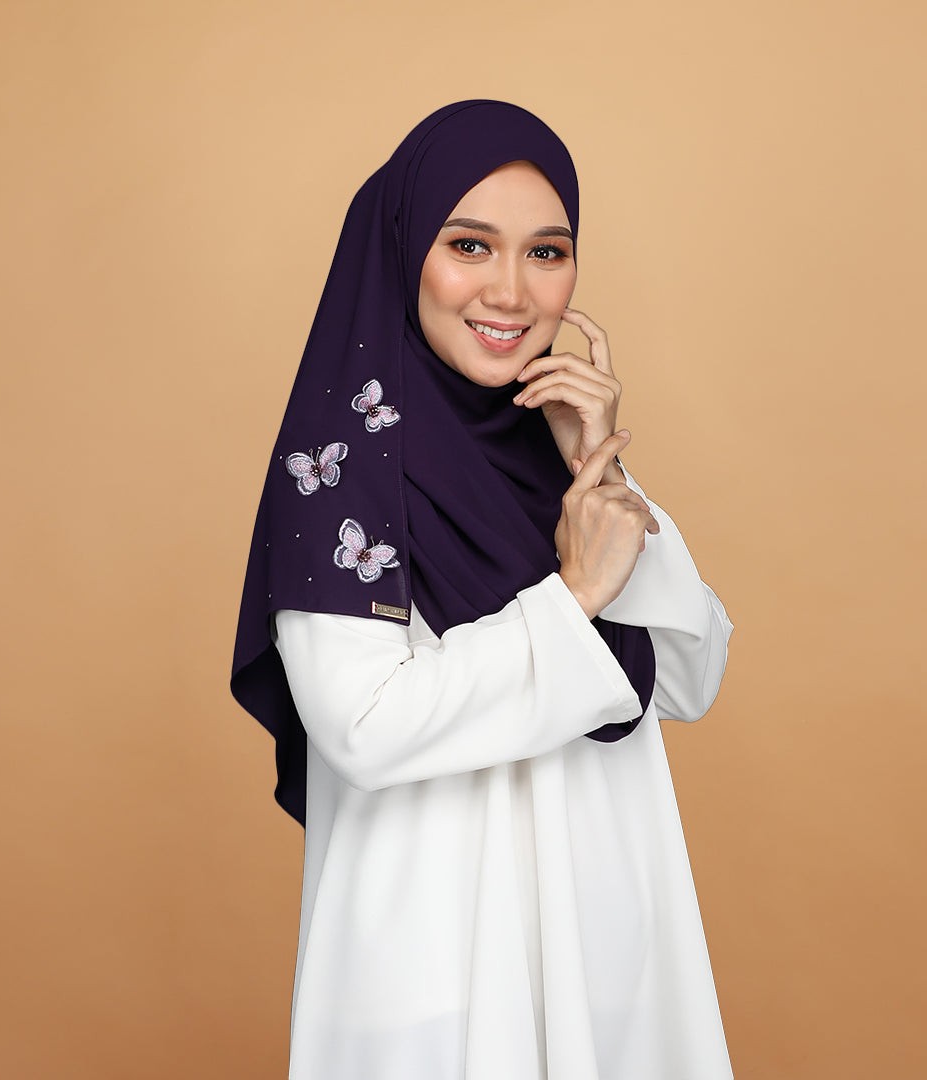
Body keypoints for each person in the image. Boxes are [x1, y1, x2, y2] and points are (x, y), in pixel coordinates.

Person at [230, 99, 735, 1079]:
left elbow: (689, 677)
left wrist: (601, 476)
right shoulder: (336, 469)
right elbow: (366, 727)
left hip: (605, 950)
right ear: (403, 249)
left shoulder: (552, 451)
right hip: (438, 969)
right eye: (469, 245)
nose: (511, 291)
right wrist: (571, 598)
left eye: (547, 253)